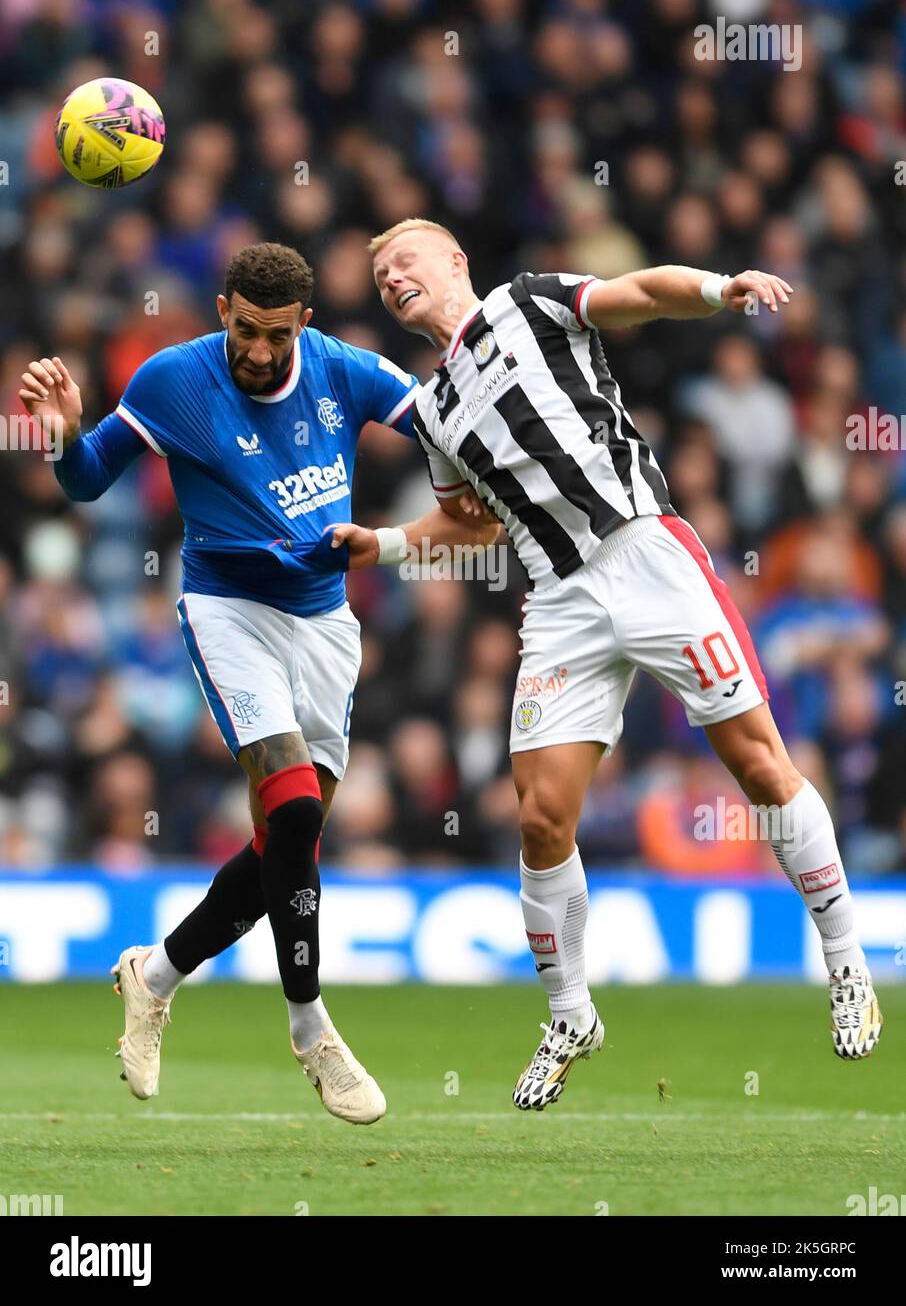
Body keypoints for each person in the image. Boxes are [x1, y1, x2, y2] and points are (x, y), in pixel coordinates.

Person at [329, 217, 883, 1111]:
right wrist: (384, 544)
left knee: (757, 763)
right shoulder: (432, 412)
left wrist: (717, 287)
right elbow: (470, 521)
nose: (393, 278)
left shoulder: (528, 302)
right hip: (559, 601)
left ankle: (846, 958)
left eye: (406, 260)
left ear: (455, 260)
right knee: (542, 816)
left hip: (646, 554)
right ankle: (570, 1013)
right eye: (380, 273)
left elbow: (638, 295)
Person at [19, 241, 496, 1124]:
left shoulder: (345, 370)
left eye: (279, 336)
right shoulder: (173, 382)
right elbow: (87, 482)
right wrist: (62, 436)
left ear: (302, 325)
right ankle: (311, 1028)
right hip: (227, 611)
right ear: (222, 309)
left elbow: (442, 421)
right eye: (247, 330)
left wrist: (476, 485)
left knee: (288, 840)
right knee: (300, 814)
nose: (262, 352)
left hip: (324, 623)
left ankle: (154, 973)